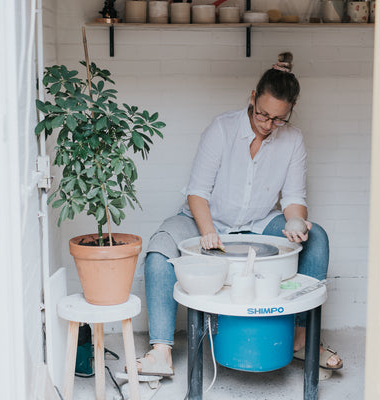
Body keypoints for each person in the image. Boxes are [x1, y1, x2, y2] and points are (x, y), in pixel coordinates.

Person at [136, 52, 343, 377]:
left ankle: (302, 341)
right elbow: (197, 193)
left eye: (279, 119)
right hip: (204, 218)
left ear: (289, 113)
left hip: (259, 224)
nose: (268, 124)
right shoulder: (222, 128)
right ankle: (161, 351)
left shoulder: (293, 140)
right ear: (252, 99)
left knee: (317, 239)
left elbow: (293, 198)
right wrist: (207, 233)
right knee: (160, 248)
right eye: (263, 115)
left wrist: (295, 220)